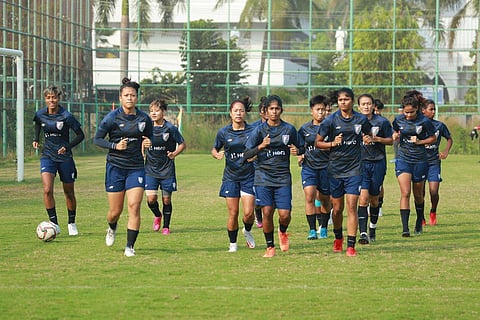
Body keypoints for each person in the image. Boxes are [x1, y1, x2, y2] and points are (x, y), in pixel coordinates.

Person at [93, 77, 153, 257]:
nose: (129, 98)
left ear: (137, 97)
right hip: (115, 168)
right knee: (114, 212)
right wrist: (115, 146)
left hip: (136, 167)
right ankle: (112, 227)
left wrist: (150, 142)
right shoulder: (111, 118)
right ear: (120, 98)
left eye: (133, 95)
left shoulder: (144, 118)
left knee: (134, 206)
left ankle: (130, 247)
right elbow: (97, 139)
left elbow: (149, 137)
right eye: (126, 95)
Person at [244, 95, 303, 258]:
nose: (274, 111)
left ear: (281, 110)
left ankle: (283, 231)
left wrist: (297, 151)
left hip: (283, 178)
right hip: (263, 178)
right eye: (271, 108)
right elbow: (246, 154)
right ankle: (270, 246)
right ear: (266, 111)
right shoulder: (259, 131)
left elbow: (302, 147)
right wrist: (261, 146)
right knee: (267, 211)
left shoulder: (289, 129)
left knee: (285, 214)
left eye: (277, 108)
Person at [315, 87, 372, 257]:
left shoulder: (360, 119)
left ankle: (351, 245)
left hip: (354, 169)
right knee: (337, 209)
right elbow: (318, 142)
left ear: (352, 101)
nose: (343, 102)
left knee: (352, 206)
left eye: (346, 99)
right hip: (335, 170)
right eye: (340, 100)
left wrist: (368, 138)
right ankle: (338, 237)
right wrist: (332, 143)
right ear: (337, 102)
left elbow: (368, 134)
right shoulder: (330, 121)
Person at [32, 85, 85, 236]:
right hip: (48, 156)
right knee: (47, 190)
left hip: (64, 158)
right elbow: (37, 123)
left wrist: (67, 147)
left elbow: (81, 135)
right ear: (45, 99)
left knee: (68, 192)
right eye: (48, 98)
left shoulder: (66, 116)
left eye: (54, 97)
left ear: (58, 98)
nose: (51, 100)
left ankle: (72, 223)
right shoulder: (40, 114)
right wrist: (36, 138)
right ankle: (54, 224)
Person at [212, 97, 256, 252]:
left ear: (245, 113)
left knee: (249, 213)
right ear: (230, 113)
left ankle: (248, 230)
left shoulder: (253, 131)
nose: (238, 113)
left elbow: (259, 148)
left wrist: (256, 155)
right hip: (231, 177)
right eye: (235, 111)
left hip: (249, 176)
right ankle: (233, 245)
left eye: (241, 110)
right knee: (233, 212)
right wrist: (216, 154)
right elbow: (215, 148)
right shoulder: (223, 132)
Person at [392, 91, 436, 237]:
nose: (409, 115)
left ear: (417, 109)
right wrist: (395, 135)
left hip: (420, 160)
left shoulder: (425, 122)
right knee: (405, 193)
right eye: (406, 112)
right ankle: (405, 228)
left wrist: (420, 142)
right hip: (403, 159)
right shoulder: (398, 120)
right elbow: (394, 130)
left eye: (411, 112)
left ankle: (419, 219)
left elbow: (432, 139)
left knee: (418, 195)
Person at [144, 99, 186, 235]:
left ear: (163, 112)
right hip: (150, 169)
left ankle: (166, 226)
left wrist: (174, 153)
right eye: (151, 111)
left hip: (167, 169)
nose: (153, 113)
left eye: (156, 110)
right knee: (151, 200)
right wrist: (142, 154)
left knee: (166, 199)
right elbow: (142, 141)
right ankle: (157, 215)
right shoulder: (147, 127)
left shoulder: (170, 128)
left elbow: (182, 144)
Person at [356, 94, 393, 244]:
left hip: (378, 163)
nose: (366, 106)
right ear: (358, 106)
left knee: (374, 199)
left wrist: (376, 139)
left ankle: (372, 228)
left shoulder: (382, 122)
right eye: (363, 104)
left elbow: (390, 140)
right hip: (360, 164)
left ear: (373, 106)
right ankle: (363, 233)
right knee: (363, 198)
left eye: (368, 103)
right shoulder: (355, 122)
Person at [297, 95, 331, 240]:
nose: (321, 112)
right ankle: (312, 230)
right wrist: (300, 154)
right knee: (309, 196)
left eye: (323, 110)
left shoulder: (331, 127)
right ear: (312, 110)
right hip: (309, 168)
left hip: (327, 168)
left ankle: (323, 227)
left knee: (324, 199)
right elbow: (299, 146)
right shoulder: (305, 129)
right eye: (318, 109)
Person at [421, 99, 453, 226]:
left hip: (434, 162)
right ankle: (421, 216)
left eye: (434, 109)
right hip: (420, 162)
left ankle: (433, 211)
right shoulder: (417, 125)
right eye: (431, 109)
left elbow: (449, 139)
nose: (433, 112)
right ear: (423, 110)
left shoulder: (439, 125)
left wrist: (445, 151)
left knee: (433, 191)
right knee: (420, 193)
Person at [250, 97, 268, 229]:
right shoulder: (254, 128)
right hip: (256, 166)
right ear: (261, 112)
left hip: (273, 166)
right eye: (264, 110)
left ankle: (267, 219)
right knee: (258, 197)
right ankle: (258, 214)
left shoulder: (280, 126)